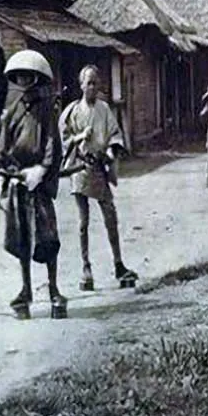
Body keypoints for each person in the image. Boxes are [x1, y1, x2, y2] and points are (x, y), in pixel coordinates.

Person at [0, 50, 67, 320]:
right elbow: (2, 147)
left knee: (47, 237)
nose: (23, 79)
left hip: (39, 182)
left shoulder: (47, 110)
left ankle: (54, 290)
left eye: (28, 75)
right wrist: (1, 179)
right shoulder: (12, 112)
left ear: (36, 77)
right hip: (18, 183)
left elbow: (52, 145)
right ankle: (25, 290)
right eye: (19, 76)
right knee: (21, 237)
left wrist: (43, 169)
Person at [58, 65, 137, 291]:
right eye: (88, 83)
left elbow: (114, 134)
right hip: (80, 167)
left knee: (110, 216)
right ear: (81, 85)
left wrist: (112, 150)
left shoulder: (104, 109)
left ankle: (119, 264)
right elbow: (63, 139)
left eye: (95, 83)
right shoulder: (72, 111)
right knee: (83, 221)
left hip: (99, 166)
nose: (92, 87)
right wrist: (78, 138)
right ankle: (86, 267)